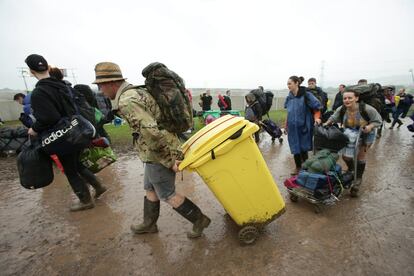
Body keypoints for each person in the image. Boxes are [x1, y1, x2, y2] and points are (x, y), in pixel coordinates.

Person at [93, 62, 210, 238]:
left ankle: (199, 220)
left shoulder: (127, 100)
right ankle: (149, 223)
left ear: (111, 83)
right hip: (152, 151)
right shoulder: (135, 92)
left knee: (167, 193)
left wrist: (170, 160)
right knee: (150, 187)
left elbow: (151, 133)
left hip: (159, 152)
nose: (101, 90)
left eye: (101, 86)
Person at [25, 54, 107, 212]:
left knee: (70, 170)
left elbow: (48, 118)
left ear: (30, 71)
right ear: (48, 67)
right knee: (76, 164)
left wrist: (33, 129)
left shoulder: (39, 93)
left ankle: (85, 200)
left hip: (61, 137)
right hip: (77, 131)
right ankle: (98, 186)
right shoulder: (62, 86)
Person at [325, 89, 382, 197]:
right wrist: (326, 124)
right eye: (345, 98)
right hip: (349, 133)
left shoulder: (367, 109)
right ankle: (351, 170)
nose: (347, 100)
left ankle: (358, 178)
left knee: (360, 156)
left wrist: (369, 126)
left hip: (365, 133)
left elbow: (378, 121)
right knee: (346, 157)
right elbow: (333, 118)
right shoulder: (342, 109)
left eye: (350, 98)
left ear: (356, 98)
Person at [285, 76, 321, 175]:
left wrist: (317, 118)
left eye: (290, 83)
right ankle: (297, 168)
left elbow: (316, 108)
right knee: (294, 147)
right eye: (287, 84)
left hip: (304, 125)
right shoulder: (289, 98)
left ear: (297, 83)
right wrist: (286, 125)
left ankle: (305, 168)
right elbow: (288, 112)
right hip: (292, 127)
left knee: (303, 147)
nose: (288, 86)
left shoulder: (306, 95)